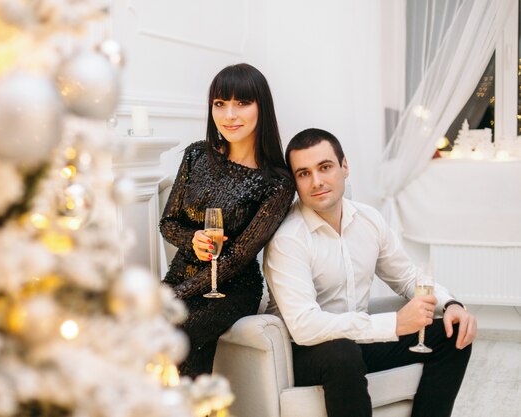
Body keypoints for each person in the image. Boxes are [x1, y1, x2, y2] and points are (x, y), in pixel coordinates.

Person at [264, 128, 477, 417]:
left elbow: (406, 276)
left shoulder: (368, 220)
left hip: (358, 342)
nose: (316, 181)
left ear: (344, 166)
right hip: (305, 352)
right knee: (342, 352)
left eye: (325, 167)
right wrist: (395, 325)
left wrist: (450, 303)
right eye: (304, 174)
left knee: (453, 334)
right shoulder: (289, 239)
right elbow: (305, 326)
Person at [159, 63, 295, 378]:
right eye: (220, 104)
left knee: (179, 336)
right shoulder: (196, 155)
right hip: (180, 277)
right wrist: (190, 241)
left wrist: (173, 297)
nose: (229, 115)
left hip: (232, 290)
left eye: (241, 103)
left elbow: (234, 259)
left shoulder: (277, 182)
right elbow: (168, 223)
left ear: (262, 107)